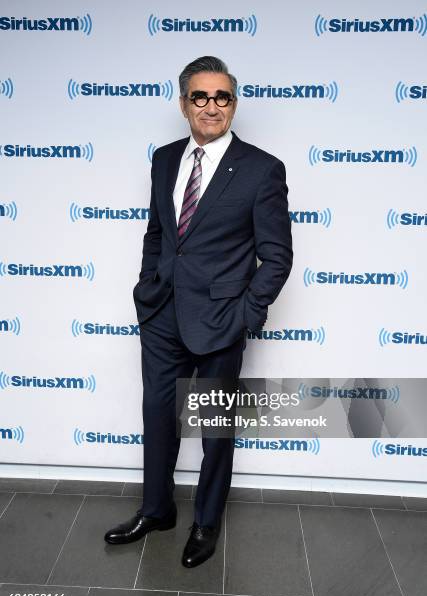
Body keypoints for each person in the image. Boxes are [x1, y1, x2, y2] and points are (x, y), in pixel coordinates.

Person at [104, 56, 293, 568]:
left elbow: (277, 257)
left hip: (220, 322)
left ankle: (206, 522)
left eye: (222, 97)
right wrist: (147, 288)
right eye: (201, 97)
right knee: (158, 416)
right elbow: (159, 233)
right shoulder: (165, 159)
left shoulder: (261, 168)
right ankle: (156, 509)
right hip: (162, 314)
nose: (212, 107)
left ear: (234, 102)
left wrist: (246, 314)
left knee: (214, 428)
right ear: (184, 102)